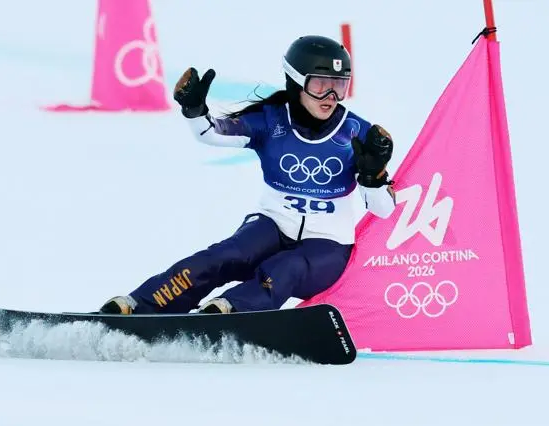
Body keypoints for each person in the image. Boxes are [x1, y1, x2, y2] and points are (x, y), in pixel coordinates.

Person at [99, 35, 396, 315]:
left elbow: (383, 209)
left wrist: (374, 176)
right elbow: (212, 132)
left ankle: (229, 311)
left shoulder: (357, 132)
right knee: (224, 256)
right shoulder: (271, 121)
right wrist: (195, 111)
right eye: (320, 85)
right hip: (272, 224)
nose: (330, 96)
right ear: (296, 82)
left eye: (339, 86)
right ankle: (140, 305)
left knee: (285, 268)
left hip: (328, 244)